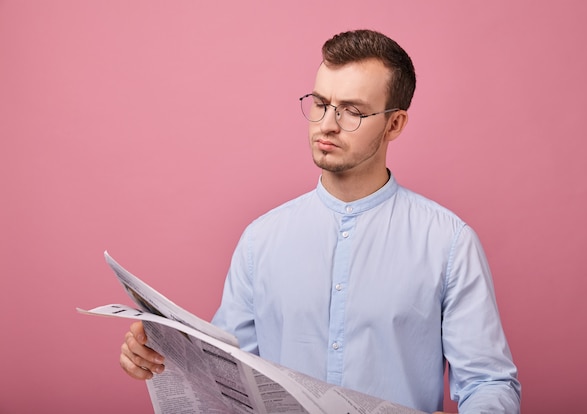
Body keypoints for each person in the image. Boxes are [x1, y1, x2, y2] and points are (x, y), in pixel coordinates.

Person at [120, 29, 521, 413]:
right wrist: (160, 357)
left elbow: (490, 383)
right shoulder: (261, 240)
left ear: (394, 124)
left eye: (352, 111)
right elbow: (229, 375)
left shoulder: (448, 243)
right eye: (321, 103)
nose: (327, 124)